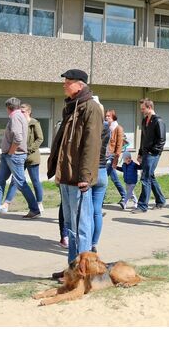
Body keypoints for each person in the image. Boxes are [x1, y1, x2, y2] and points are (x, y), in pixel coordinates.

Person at [47, 69, 104, 268]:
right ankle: (72, 267)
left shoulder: (91, 108)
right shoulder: (71, 107)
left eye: (68, 82)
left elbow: (91, 145)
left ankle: (84, 270)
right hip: (66, 176)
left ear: (80, 85)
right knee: (70, 225)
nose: (64, 85)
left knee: (81, 227)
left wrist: (85, 177)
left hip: (79, 178)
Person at [0, 97, 41, 220]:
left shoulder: (15, 117)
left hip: (14, 156)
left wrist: (11, 152)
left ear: (8, 108)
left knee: (20, 183)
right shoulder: (19, 116)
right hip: (10, 155)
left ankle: (34, 209)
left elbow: (18, 138)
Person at [135, 98, 167, 213]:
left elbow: (162, 140)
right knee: (150, 176)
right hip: (145, 153)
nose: (141, 111)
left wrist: (152, 151)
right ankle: (161, 200)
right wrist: (140, 153)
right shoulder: (145, 121)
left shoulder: (158, 121)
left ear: (149, 107)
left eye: (143, 109)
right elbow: (143, 138)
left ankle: (142, 206)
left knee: (145, 178)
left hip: (152, 154)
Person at [90, 99, 110, 251]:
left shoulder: (92, 127)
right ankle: (94, 243)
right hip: (103, 171)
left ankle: (86, 241)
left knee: (87, 211)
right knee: (97, 211)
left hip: (91, 171)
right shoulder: (107, 128)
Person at [18, 103, 45, 212]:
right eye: (20, 111)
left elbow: (40, 139)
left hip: (32, 157)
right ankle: (6, 203)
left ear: (29, 112)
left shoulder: (34, 123)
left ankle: (39, 203)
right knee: (16, 180)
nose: (21, 113)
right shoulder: (19, 123)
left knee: (35, 181)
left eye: (23, 111)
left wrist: (29, 149)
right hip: (20, 156)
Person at [104, 109, 129, 209]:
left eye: (108, 116)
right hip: (105, 156)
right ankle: (124, 196)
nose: (106, 118)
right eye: (106, 116)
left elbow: (118, 146)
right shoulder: (106, 127)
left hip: (112, 156)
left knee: (104, 177)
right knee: (114, 178)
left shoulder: (118, 128)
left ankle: (101, 199)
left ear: (113, 117)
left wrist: (115, 159)